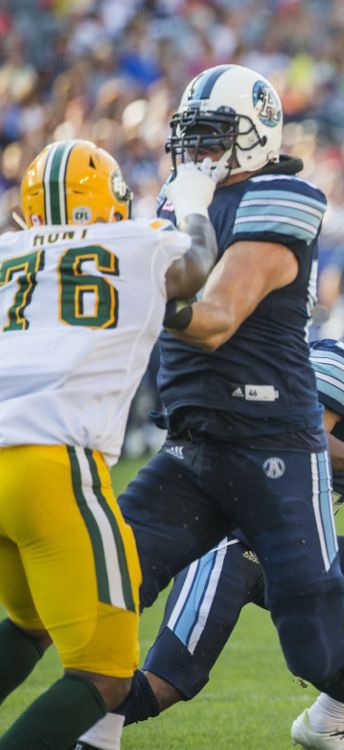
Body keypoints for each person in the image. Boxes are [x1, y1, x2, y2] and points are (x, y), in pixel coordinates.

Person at [75, 65, 344, 750]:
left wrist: (149, 263)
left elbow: (211, 317)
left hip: (276, 453)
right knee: (101, 593)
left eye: (216, 134)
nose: (201, 151)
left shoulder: (281, 197)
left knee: (317, 654)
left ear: (261, 134)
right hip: (193, 449)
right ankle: (98, 734)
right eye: (192, 136)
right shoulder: (184, 201)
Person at [100, 272, 344, 750]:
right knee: (165, 686)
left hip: (298, 540)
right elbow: (300, 436)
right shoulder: (342, 366)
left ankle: (326, 723)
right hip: (232, 538)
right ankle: (74, 724)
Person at [0, 138, 219, 749]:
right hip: (56, 462)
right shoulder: (136, 240)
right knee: (106, 674)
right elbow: (196, 267)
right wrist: (195, 203)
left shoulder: (7, 251)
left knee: (29, 624)